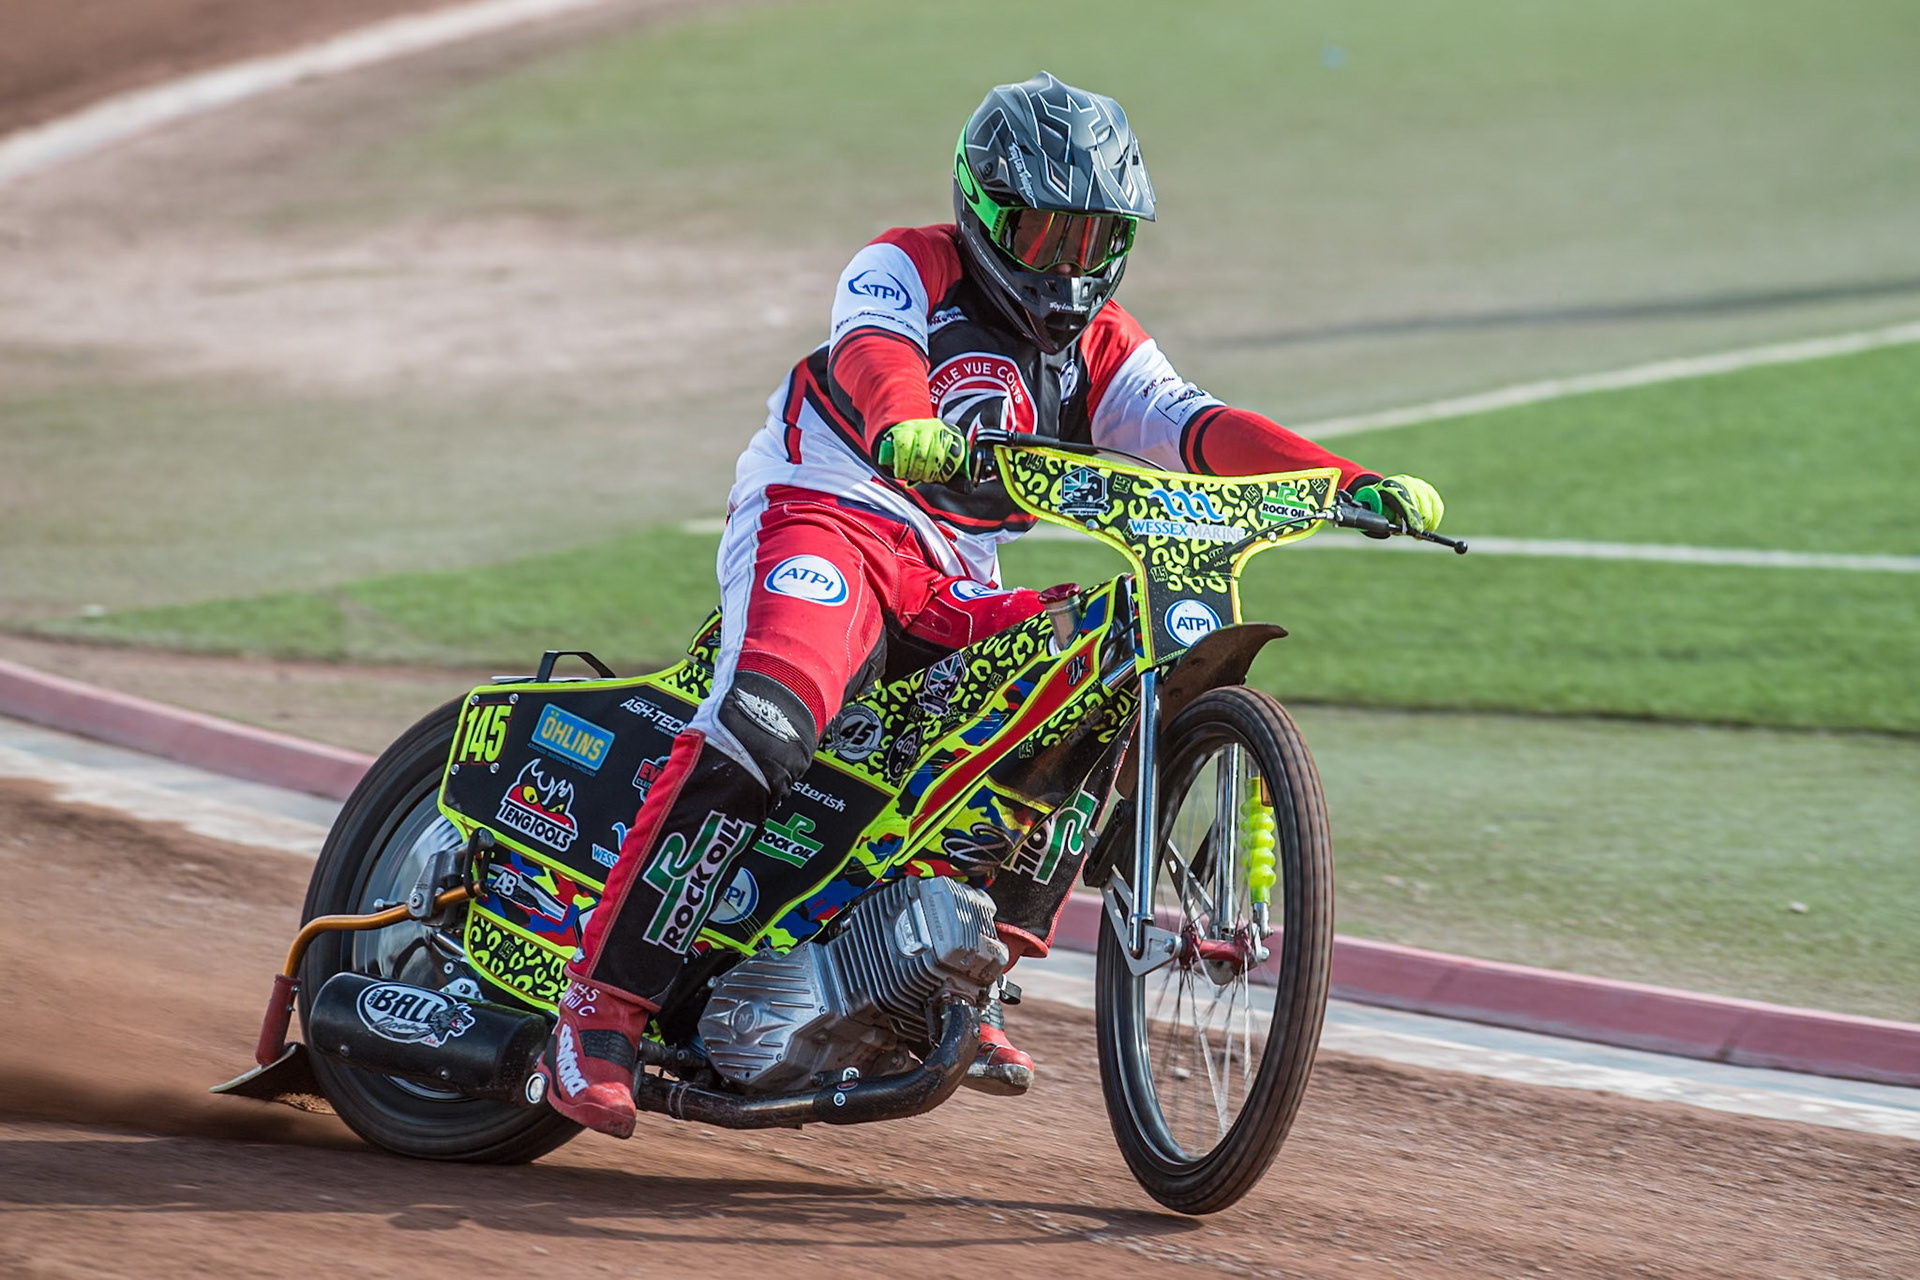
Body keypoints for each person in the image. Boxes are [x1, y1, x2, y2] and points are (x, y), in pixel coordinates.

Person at [536, 71, 1445, 1138]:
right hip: (827, 515)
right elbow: (875, 352)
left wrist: (1343, 480)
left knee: (1098, 677)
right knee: (770, 718)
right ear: (983, 207)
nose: (1070, 265)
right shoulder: (905, 264)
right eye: (1046, 232)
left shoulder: (1104, 345)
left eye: (1095, 237)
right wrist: (902, 421)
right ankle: (599, 1009)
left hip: (952, 574)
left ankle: (969, 972)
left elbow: (1194, 426)